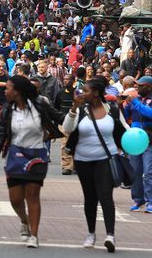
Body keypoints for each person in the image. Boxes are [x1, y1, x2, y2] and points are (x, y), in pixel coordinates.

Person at [0, 75, 65, 249]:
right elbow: (0, 134)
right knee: (15, 199)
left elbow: (59, 117)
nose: (5, 91)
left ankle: (34, 235)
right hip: (15, 154)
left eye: (8, 88)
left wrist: (76, 114)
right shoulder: (8, 109)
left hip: (36, 155)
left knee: (32, 196)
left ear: (18, 91)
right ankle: (24, 220)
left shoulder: (39, 105)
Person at [63, 75, 127, 252]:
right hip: (83, 160)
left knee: (105, 195)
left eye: (86, 91)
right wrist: (74, 108)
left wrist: (126, 148)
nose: (82, 94)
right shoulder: (81, 110)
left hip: (106, 159)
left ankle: (110, 235)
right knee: (90, 198)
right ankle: (91, 233)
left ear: (96, 93)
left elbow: (125, 131)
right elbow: (67, 128)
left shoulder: (112, 109)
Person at [121, 75, 152, 213]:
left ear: (149, 87)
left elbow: (149, 113)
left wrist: (135, 103)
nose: (137, 88)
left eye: (141, 85)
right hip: (134, 140)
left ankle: (150, 201)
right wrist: (123, 105)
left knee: (149, 172)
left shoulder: (143, 101)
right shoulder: (136, 100)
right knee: (135, 171)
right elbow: (126, 115)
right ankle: (138, 199)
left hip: (149, 139)